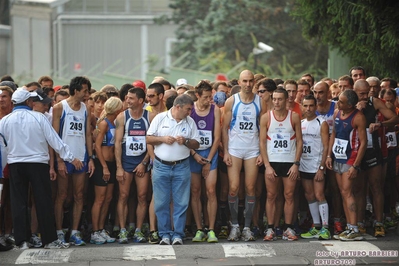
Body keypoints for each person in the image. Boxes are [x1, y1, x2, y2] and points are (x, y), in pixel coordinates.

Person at [0, 88, 83, 249]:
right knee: (43, 201)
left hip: (15, 164)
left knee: (19, 203)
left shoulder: (4, 121)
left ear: (13, 103)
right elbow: (54, 140)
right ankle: (49, 240)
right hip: (38, 163)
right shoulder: (39, 117)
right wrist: (71, 158)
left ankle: (22, 241)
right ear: (29, 102)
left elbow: (2, 147)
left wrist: (3, 165)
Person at [147, 94, 200, 245]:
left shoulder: (190, 122)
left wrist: (186, 141)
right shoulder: (160, 118)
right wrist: (163, 139)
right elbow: (148, 138)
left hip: (182, 165)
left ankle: (177, 234)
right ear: (178, 107)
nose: (190, 112)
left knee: (181, 202)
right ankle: (164, 234)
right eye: (188, 109)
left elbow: (197, 144)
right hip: (161, 165)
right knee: (161, 202)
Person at [352, 80, 399, 237]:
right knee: (358, 189)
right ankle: (360, 222)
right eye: (362, 94)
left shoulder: (375, 102)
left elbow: (394, 118)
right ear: (354, 91)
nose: (366, 95)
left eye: (368, 92)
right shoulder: (348, 102)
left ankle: (379, 223)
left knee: (376, 186)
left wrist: (381, 124)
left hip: (373, 151)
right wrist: (354, 110)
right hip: (356, 152)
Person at [53, 76, 95, 246]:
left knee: (79, 195)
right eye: (84, 90)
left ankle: (75, 232)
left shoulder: (85, 108)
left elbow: (87, 134)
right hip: (64, 157)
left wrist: (90, 158)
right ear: (75, 90)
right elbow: (54, 137)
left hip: (81, 156)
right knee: (62, 195)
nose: (86, 94)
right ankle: (59, 232)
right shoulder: (59, 108)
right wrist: (59, 160)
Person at [222, 70, 263, 241]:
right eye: (244, 81)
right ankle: (234, 226)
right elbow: (224, 128)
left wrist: (262, 152)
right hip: (235, 149)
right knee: (233, 187)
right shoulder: (232, 101)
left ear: (254, 82)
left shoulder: (260, 102)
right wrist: (225, 151)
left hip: (253, 149)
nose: (247, 84)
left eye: (250, 81)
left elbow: (263, 128)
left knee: (251, 188)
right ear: (239, 82)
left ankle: (247, 227)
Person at [260, 88, 302, 241]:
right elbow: (262, 143)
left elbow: (299, 141)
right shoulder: (266, 117)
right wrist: (267, 166)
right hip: (272, 162)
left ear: (286, 100)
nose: (277, 102)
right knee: (271, 195)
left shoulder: (294, 117)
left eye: (280, 99)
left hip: (289, 162)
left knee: (289, 195)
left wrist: (296, 164)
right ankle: (270, 228)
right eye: (275, 99)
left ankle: (288, 228)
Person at [326, 89, 367, 241]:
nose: (338, 103)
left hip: (350, 158)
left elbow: (363, 143)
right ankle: (349, 227)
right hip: (338, 157)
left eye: (342, 101)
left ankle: (354, 227)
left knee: (348, 192)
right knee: (343, 192)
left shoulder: (358, 117)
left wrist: (356, 165)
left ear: (350, 105)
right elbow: (334, 135)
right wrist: (329, 155)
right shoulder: (337, 113)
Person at [114, 88, 153, 244]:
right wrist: (118, 167)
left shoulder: (150, 116)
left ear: (140, 101)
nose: (127, 100)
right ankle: (123, 230)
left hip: (142, 161)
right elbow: (117, 143)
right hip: (126, 161)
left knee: (142, 197)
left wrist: (144, 163)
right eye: (127, 98)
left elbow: (152, 142)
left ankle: (138, 230)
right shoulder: (122, 117)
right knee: (123, 196)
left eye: (131, 98)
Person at [189, 80, 221, 243]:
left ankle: (212, 229)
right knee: (195, 191)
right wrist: (194, 154)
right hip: (193, 154)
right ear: (197, 96)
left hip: (210, 153)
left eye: (211, 97)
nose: (209, 100)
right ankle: (199, 228)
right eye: (206, 97)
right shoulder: (190, 110)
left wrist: (208, 161)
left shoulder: (215, 110)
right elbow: (186, 136)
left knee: (210, 190)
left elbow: (217, 138)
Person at [90, 97, 123, 245]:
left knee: (108, 198)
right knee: (100, 198)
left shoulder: (114, 122)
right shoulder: (103, 124)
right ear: (116, 109)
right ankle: (95, 231)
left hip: (111, 164)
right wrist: (103, 166)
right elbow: (97, 146)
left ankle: (101, 228)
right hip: (102, 163)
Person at [298, 95, 330, 240]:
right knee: (309, 195)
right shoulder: (301, 122)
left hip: (317, 166)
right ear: (302, 107)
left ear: (316, 107)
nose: (308, 109)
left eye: (311, 106)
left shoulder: (321, 123)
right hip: (304, 165)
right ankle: (316, 225)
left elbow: (326, 146)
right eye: (305, 106)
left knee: (319, 195)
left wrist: (322, 168)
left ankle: (325, 227)